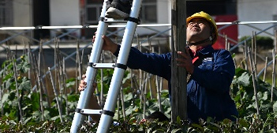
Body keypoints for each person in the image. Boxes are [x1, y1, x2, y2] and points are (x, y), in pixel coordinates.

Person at [97, 11, 238, 122]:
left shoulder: (220, 56)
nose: (195, 24)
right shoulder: (174, 58)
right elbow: (143, 60)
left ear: (212, 34)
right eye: (191, 23)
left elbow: (221, 82)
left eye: (201, 22)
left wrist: (193, 70)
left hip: (217, 126)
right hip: (186, 127)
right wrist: (114, 48)